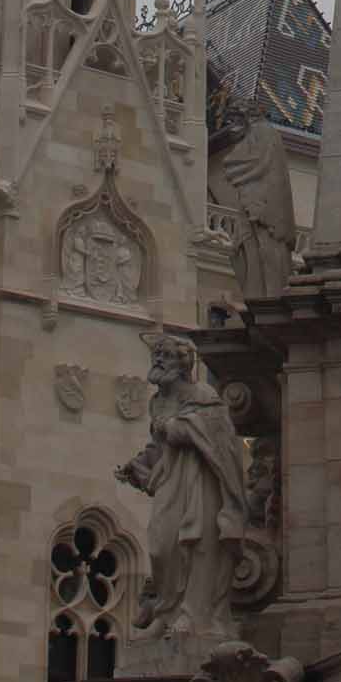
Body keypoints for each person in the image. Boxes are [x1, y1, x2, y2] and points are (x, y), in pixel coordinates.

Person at [116, 333, 247, 638]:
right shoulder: (158, 402)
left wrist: (178, 428)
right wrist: (140, 465)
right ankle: (166, 609)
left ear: (183, 364)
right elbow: (160, 446)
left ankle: (192, 613)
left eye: (166, 355)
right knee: (163, 544)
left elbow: (221, 441)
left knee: (197, 543)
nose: (159, 360)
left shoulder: (202, 395)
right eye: (157, 355)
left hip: (200, 483)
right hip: (170, 483)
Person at [208, 103, 296, 298]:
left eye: (237, 120)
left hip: (262, 208)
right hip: (255, 208)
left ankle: (266, 295)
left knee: (264, 251)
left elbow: (238, 161)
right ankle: (260, 294)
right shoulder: (261, 134)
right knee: (250, 249)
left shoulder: (263, 133)